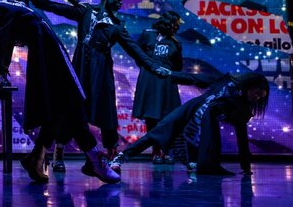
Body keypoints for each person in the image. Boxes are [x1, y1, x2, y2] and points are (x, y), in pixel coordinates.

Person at [0, 0, 121, 184]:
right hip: (48, 58)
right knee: (73, 104)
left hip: (52, 53)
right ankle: (94, 159)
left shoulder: (4, 2)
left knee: (60, 109)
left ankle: (36, 157)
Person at [31, 0, 171, 170]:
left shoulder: (117, 25)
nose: (121, 2)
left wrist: (153, 66)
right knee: (71, 110)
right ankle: (59, 153)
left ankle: (110, 156)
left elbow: (135, 50)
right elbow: (59, 8)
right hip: (81, 68)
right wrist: (34, 1)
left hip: (101, 71)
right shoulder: (86, 11)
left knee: (106, 112)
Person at [110, 72, 270, 175]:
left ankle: (196, 163)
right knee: (157, 133)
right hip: (190, 109)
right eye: (257, 93)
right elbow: (198, 79)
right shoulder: (228, 81)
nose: (257, 98)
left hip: (203, 124)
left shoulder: (242, 109)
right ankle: (120, 158)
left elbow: (242, 138)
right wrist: (171, 75)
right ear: (250, 86)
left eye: (260, 97)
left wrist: (246, 167)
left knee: (200, 140)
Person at [132, 10, 184, 163]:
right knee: (151, 115)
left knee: (167, 116)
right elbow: (137, 53)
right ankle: (155, 151)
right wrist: (147, 69)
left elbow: (178, 66)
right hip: (149, 79)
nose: (177, 27)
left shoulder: (175, 43)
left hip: (167, 82)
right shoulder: (148, 34)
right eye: (175, 24)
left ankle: (166, 151)